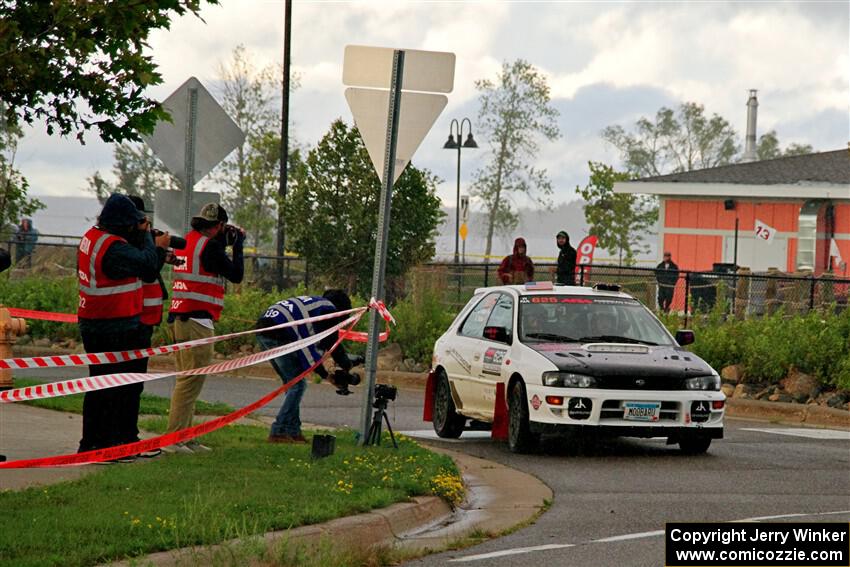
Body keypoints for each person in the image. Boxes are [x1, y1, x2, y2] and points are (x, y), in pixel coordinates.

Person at [77, 194, 170, 459]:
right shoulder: (114, 248)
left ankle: (96, 443)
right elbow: (148, 266)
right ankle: (111, 445)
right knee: (116, 387)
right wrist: (157, 245)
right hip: (114, 325)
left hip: (96, 321)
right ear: (121, 223)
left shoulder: (93, 238)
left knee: (101, 386)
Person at [164, 202, 244, 454]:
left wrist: (224, 244)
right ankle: (174, 439)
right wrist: (238, 245)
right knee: (189, 382)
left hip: (181, 318)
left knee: (188, 380)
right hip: (196, 321)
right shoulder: (209, 247)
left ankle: (185, 437)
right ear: (219, 226)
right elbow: (236, 274)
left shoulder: (190, 242)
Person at [255, 290, 357, 444]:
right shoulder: (329, 311)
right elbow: (321, 348)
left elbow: (320, 346)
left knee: (291, 384)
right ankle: (279, 431)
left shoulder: (315, 305)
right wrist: (338, 370)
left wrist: (330, 373)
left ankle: (293, 432)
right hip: (280, 334)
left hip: (263, 329)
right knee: (298, 385)